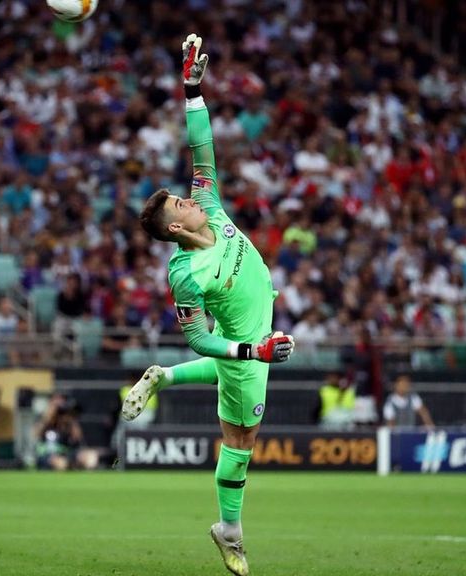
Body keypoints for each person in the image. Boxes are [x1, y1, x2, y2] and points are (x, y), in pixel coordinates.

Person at [121, 34, 294, 576]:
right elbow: (198, 337)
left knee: (238, 427)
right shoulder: (185, 272)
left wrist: (193, 90)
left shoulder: (212, 207)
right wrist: (253, 351)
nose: (190, 198)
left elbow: (203, 150)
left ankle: (163, 377)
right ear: (175, 228)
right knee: (240, 442)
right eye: (181, 203)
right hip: (248, 350)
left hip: (255, 334)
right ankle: (230, 531)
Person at [33, 393, 98, 471]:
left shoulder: (67, 421)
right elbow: (36, 433)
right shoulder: (45, 420)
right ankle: (71, 466)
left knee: (91, 456)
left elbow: (77, 438)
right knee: (61, 463)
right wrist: (49, 415)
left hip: (65, 453)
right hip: (48, 455)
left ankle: (84, 473)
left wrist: (71, 417)